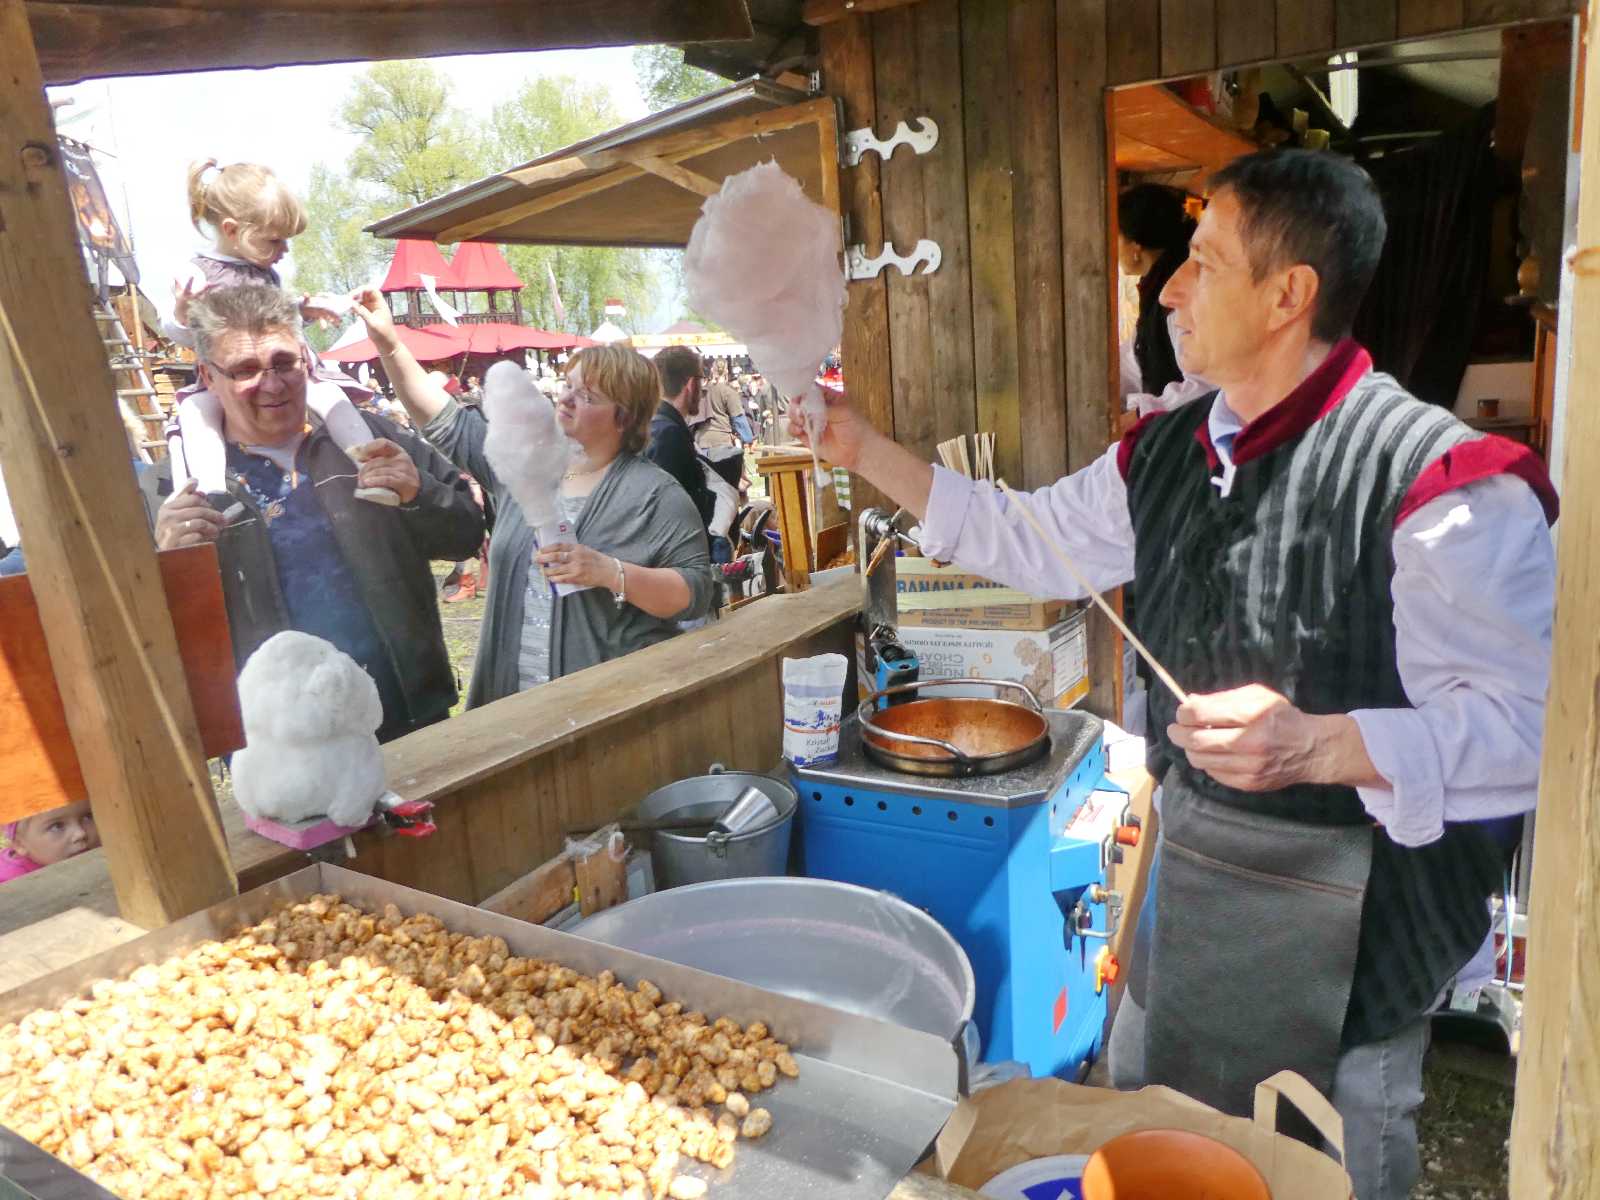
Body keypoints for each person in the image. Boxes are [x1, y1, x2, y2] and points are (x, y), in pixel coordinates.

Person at [792, 149, 1557, 1200]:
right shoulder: (1164, 452)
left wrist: (1320, 744)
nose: (1168, 289)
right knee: (1153, 1144)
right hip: (1188, 896)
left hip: (1352, 936)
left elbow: (1527, 733)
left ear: (1288, 295)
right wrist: (864, 448)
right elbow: (1029, 539)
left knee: (1324, 1171)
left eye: (1204, 260)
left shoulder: (1442, 483)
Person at [348, 288, 714, 706]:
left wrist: (610, 572)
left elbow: (695, 593)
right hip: (512, 706)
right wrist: (389, 344)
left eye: (588, 396)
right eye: (568, 385)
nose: (566, 399)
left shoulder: (656, 495)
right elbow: (443, 419)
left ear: (625, 417)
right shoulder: (521, 462)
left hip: (603, 709)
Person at [154, 285, 485, 742]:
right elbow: (153, 631)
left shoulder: (371, 439)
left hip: (404, 714)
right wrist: (166, 562)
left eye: (283, 363)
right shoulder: (178, 486)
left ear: (305, 361)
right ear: (208, 376)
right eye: (245, 370)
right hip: (278, 740)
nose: (272, 384)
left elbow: (466, 535)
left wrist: (419, 493)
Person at [163, 159, 383, 501]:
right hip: (226, 379)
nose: (284, 250)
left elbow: (276, 323)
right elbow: (183, 334)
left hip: (291, 371)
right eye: (275, 241)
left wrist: (304, 311)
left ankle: (373, 469)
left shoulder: (267, 274)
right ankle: (213, 493)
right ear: (232, 231)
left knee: (333, 398)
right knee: (195, 412)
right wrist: (181, 312)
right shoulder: (199, 275)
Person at [1117, 184, 1212, 421]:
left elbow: (1206, 383)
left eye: (1117, 237)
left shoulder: (1176, 293)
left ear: (1135, 245)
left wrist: (1141, 414)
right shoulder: (1154, 286)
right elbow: (1135, 359)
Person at [646, 347, 716, 528]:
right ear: (691, 384)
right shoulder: (668, 434)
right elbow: (674, 510)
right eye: (701, 380)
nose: (702, 391)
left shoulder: (656, 425)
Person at [0, 802, 100, 883]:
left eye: (88, 817)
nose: (80, 833)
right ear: (20, 844)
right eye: (57, 826)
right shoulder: (9, 883)